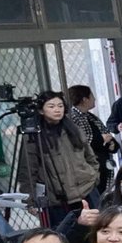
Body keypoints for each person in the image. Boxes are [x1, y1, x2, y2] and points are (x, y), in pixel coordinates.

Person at [18, 91, 98, 226]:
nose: (57, 110)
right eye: (51, 106)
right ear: (41, 110)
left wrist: (94, 175)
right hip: (57, 199)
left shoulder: (73, 129)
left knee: (95, 230)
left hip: (87, 190)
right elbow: (28, 170)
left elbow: (90, 156)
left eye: (60, 106)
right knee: (64, 233)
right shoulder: (33, 136)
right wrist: (29, 199)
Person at [67, 84, 116, 194]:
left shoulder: (91, 117)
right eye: (92, 96)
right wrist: (101, 139)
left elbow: (106, 133)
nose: (94, 99)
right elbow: (82, 142)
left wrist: (112, 144)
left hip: (103, 164)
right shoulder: (73, 118)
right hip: (90, 169)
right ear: (84, 99)